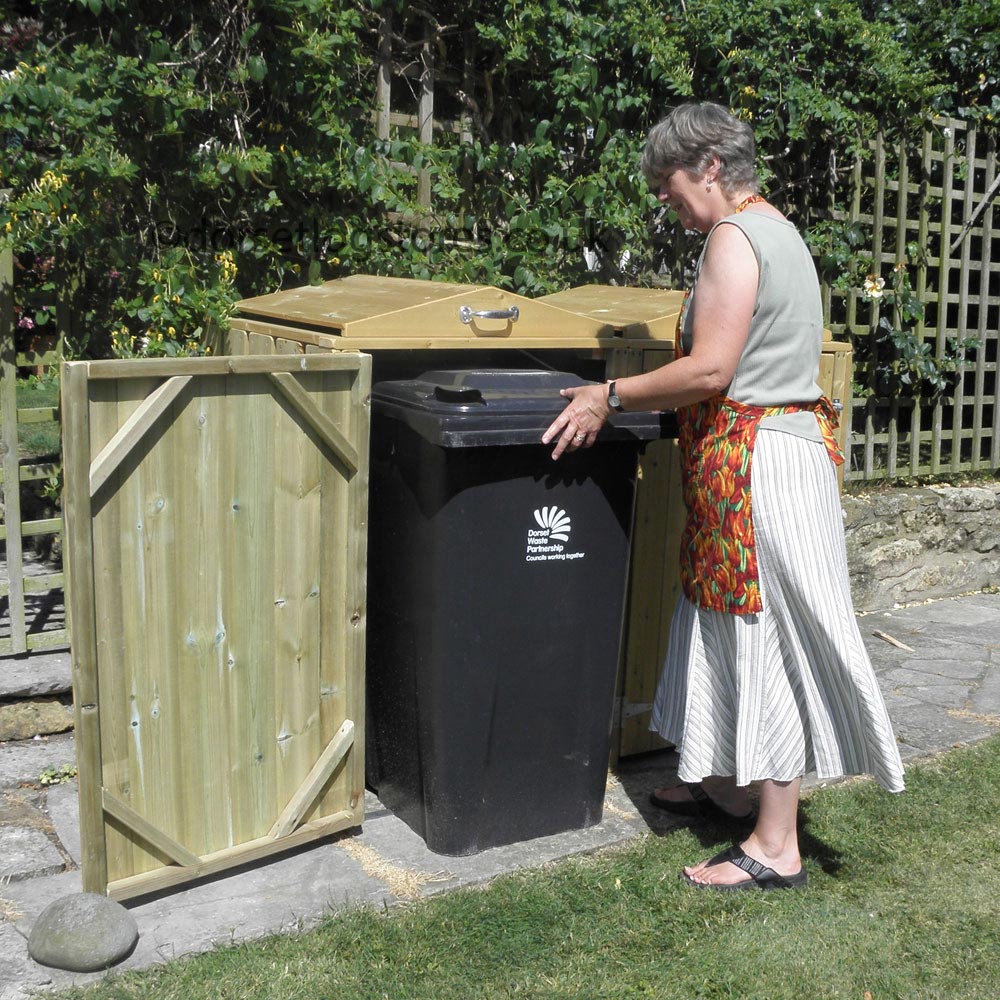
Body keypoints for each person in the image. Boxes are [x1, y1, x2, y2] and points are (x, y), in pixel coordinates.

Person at [541, 100, 905, 890]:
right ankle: (722, 784)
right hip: (760, 456)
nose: (668, 208)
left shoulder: (734, 239)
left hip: (759, 463)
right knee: (718, 619)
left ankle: (776, 845)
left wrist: (611, 393)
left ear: (709, 166)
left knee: (760, 631)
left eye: (670, 189)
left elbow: (710, 370)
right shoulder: (776, 228)